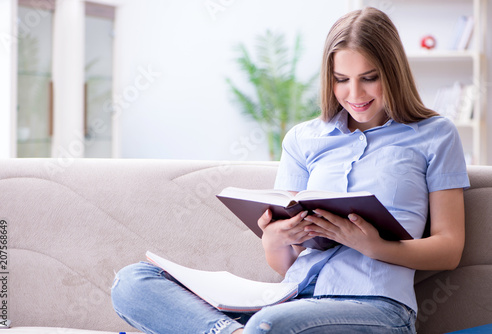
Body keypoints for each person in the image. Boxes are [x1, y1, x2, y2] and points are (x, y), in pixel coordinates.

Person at [111, 7, 469, 334]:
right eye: (340, 79)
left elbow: (449, 249)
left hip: (377, 308)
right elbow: (286, 263)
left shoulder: (434, 135)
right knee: (133, 282)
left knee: (269, 326)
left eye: (369, 77)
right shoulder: (304, 139)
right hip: (291, 299)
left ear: (392, 72)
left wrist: (372, 246)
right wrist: (275, 238)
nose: (354, 92)